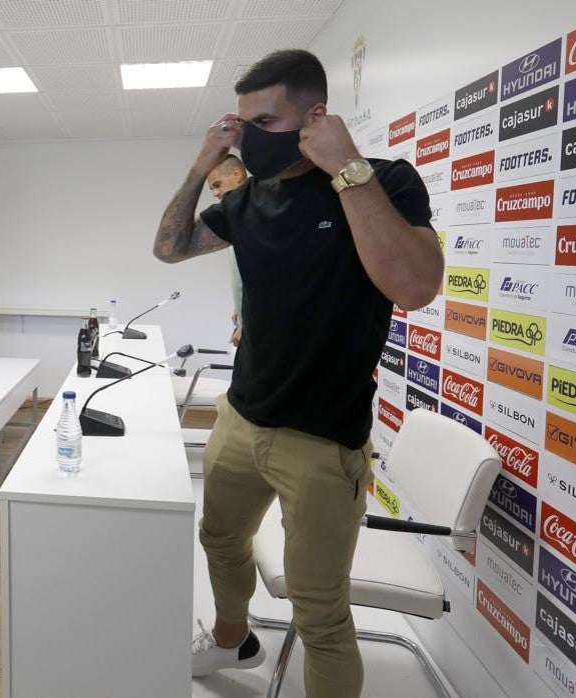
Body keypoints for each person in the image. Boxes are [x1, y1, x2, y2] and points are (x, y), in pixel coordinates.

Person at [153, 50, 440, 696]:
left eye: (264, 119)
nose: (249, 134)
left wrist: (348, 169)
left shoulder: (385, 182)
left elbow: (416, 285)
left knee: (320, 614)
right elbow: (169, 247)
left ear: (316, 116)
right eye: (241, 120)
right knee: (218, 537)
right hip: (241, 414)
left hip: (321, 439)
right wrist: (203, 165)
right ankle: (234, 640)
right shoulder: (254, 197)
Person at [207, 155, 248, 348]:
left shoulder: (257, 215)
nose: (215, 193)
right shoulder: (235, 217)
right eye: (212, 189)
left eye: (217, 185)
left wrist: (247, 325)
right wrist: (240, 307)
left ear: (237, 174)